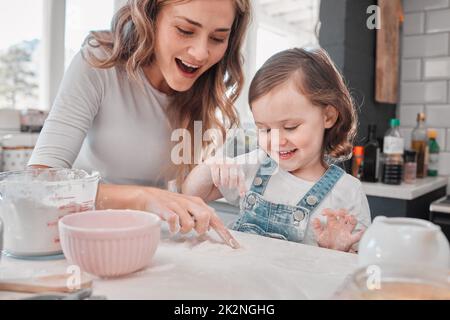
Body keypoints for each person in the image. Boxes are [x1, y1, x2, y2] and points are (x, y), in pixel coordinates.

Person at [28, 0, 252, 249]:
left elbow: (180, 192)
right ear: (149, 18)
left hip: (147, 243)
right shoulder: (100, 63)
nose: (201, 53)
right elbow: (39, 183)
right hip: (80, 241)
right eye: (185, 30)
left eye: (218, 38)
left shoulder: (202, 90)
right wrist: (143, 197)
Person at [182, 48, 371, 253]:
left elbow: (357, 267)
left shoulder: (348, 192)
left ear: (328, 117)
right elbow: (191, 194)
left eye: (290, 127)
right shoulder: (256, 166)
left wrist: (337, 251)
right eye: (265, 129)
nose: (277, 140)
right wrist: (211, 166)